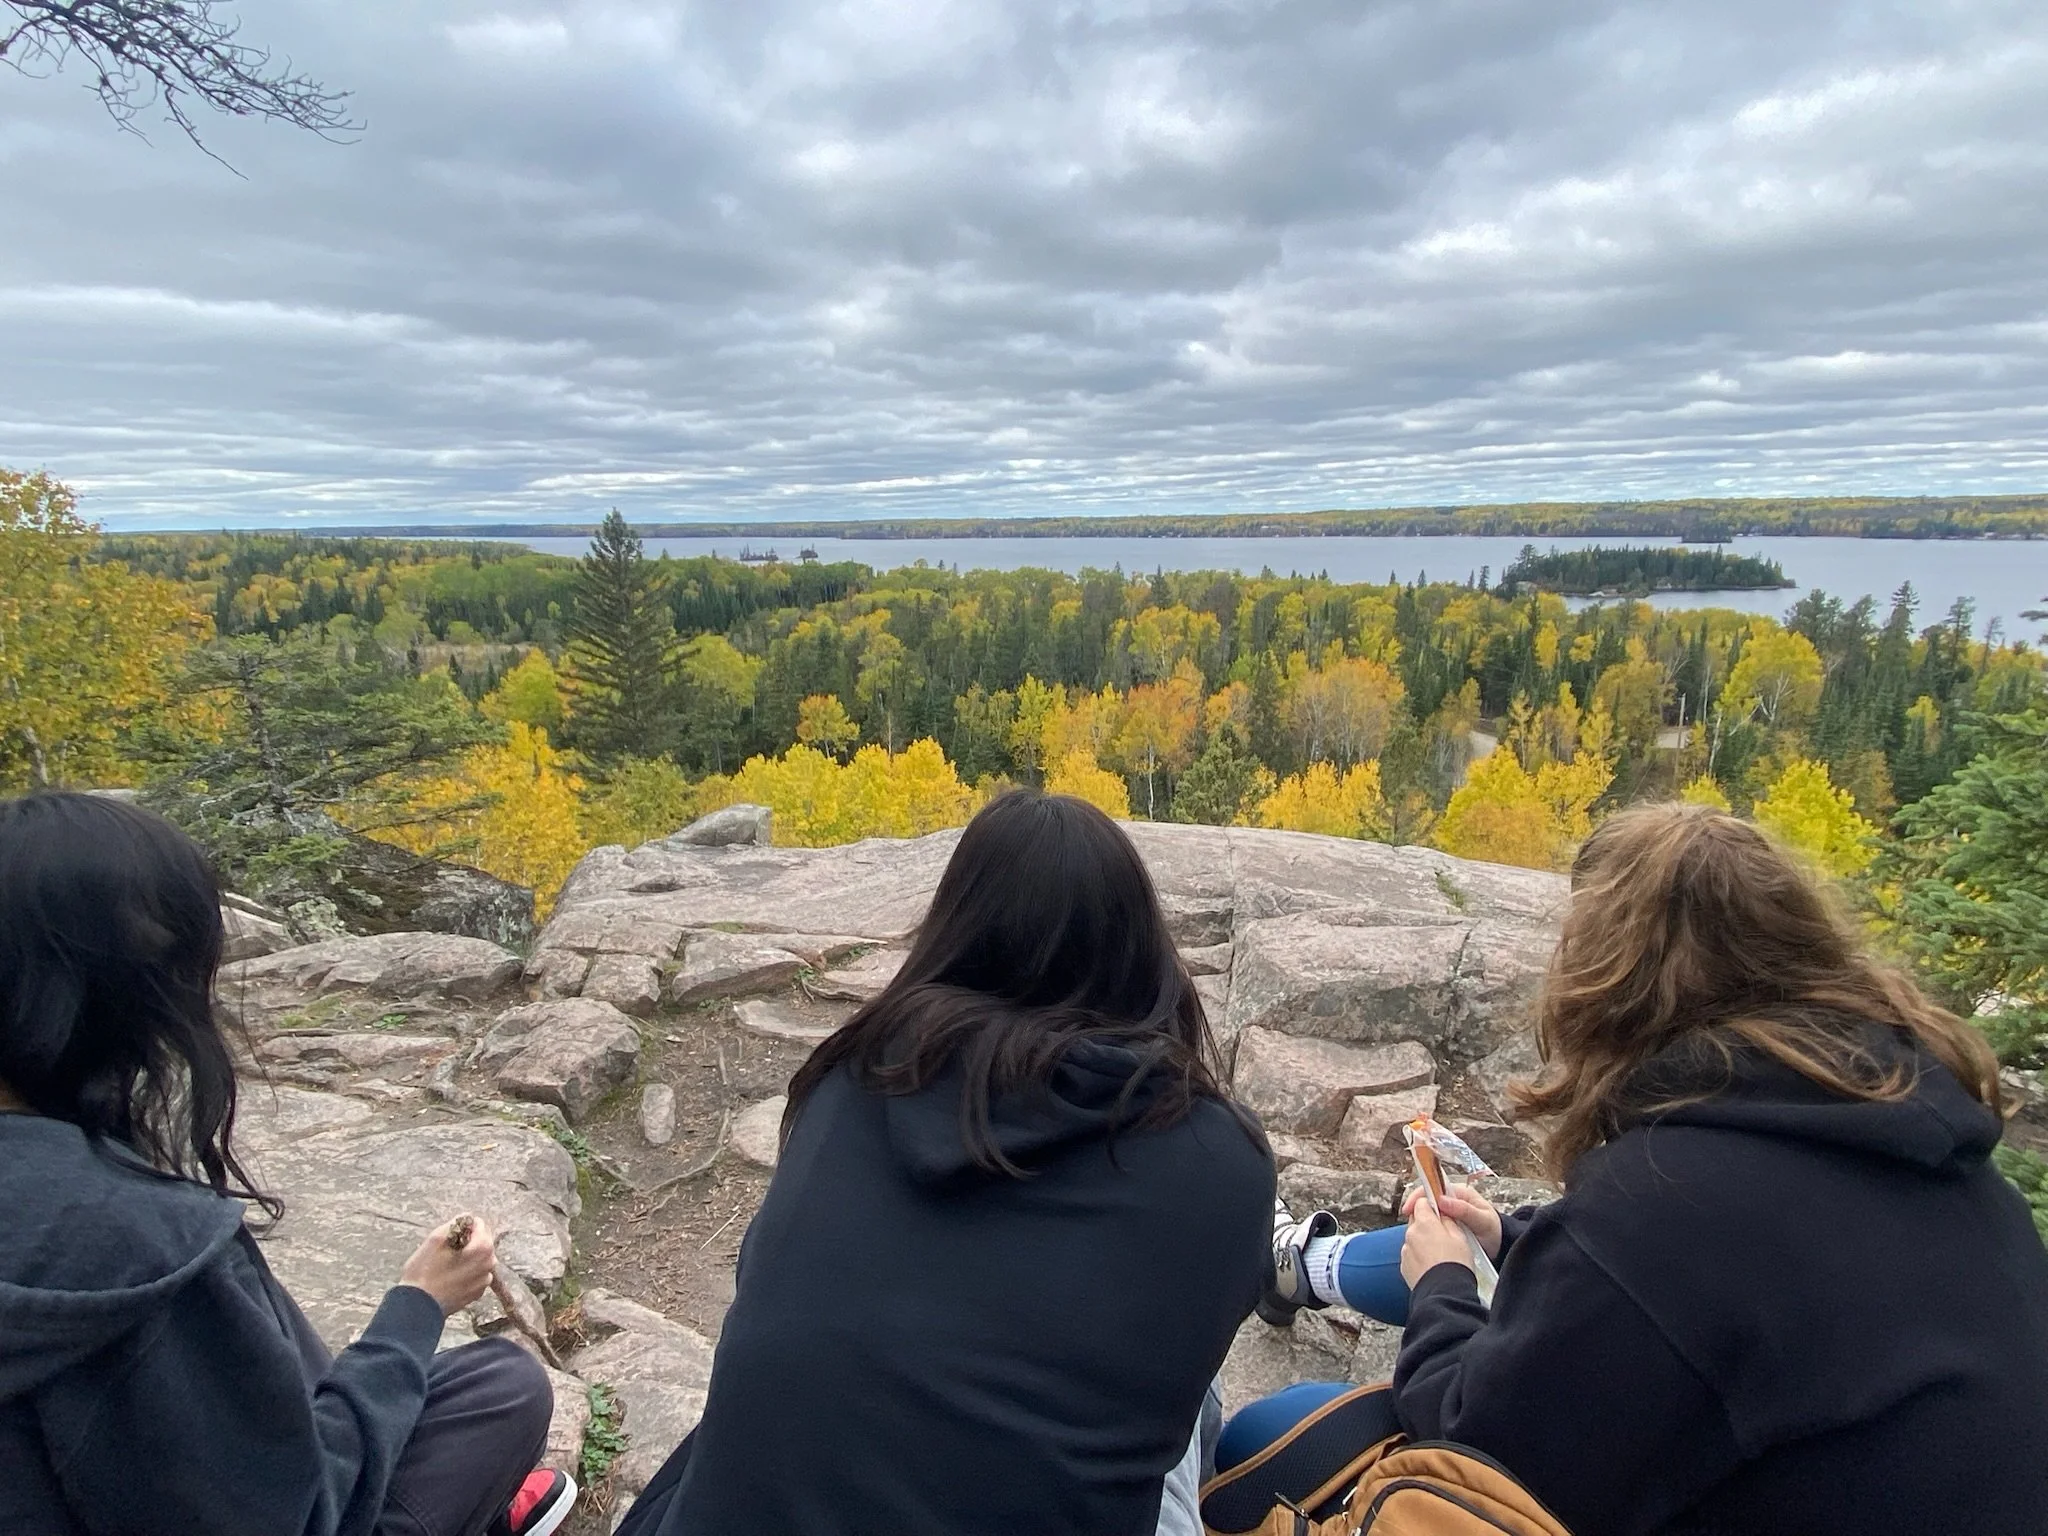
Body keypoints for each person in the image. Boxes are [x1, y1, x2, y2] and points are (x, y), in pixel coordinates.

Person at [1240, 802, 2048, 1535]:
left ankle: (1282, 1270)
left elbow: (1475, 1447)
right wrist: (1520, 1235)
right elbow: (1727, 1294)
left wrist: (1445, 1287)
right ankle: (1298, 1269)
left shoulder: (1664, 1198)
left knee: (1264, 1438)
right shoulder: (1941, 1157)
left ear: (1608, 989)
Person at [621, 790, 1276, 1536]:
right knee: (1189, 1401)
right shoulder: (1221, 1164)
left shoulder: (850, 1083)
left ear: (954, 930)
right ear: (1141, 947)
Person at [0, 792, 577, 1536]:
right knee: (508, 1386)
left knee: (473, 1385)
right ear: (131, 1000)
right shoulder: (150, 1254)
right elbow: (297, 1513)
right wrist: (419, 1306)